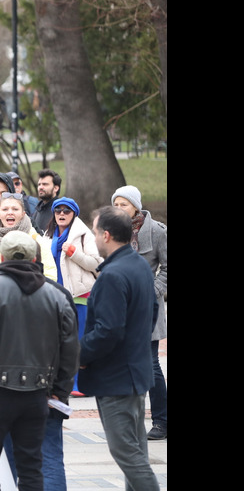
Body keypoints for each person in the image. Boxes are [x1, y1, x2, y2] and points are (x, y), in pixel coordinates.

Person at [0, 230, 79, 491]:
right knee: (30, 465)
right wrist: (59, 391)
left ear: (0, 256)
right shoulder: (56, 296)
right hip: (36, 392)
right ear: (35, 257)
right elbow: (69, 351)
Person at [78, 207, 161, 491]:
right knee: (136, 454)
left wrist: (79, 355)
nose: (93, 236)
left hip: (117, 379)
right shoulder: (137, 264)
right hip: (134, 373)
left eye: (94, 230)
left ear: (107, 235)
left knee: (128, 455)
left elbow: (107, 331)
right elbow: (151, 312)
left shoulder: (113, 275)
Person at [112, 186, 167, 441]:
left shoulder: (155, 231)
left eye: (124, 204)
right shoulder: (113, 230)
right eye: (116, 204)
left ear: (135, 206)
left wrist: (152, 291)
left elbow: (166, 268)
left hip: (148, 308)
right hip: (122, 307)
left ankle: (162, 421)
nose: (119, 209)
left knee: (151, 365)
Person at [47, 197, 102, 395]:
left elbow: (97, 264)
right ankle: (59, 382)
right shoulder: (48, 235)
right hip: (54, 295)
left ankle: (78, 384)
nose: (62, 214)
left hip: (79, 295)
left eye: (66, 211)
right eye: (58, 211)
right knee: (57, 342)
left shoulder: (83, 234)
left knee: (78, 341)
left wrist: (74, 253)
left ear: (74, 214)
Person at [0, 193, 57, 285]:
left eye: (15, 209)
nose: (10, 212)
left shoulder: (36, 240)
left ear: (23, 214)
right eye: (5, 209)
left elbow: (50, 277)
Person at [32, 169, 62, 233]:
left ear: (56, 188)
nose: (40, 187)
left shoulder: (61, 210)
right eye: (39, 184)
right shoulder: (37, 210)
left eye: (45, 184)